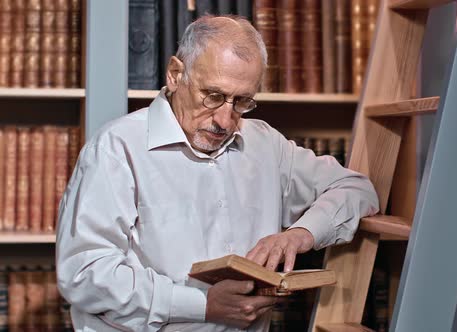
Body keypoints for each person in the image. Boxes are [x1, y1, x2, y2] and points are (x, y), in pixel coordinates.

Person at [56, 16, 379, 332]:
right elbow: (84, 272)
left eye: (242, 101)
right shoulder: (116, 147)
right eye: (213, 96)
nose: (225, 121)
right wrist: (202, 305)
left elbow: (356, 188)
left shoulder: (264, 143)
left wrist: (301, 234)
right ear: (175, 74)